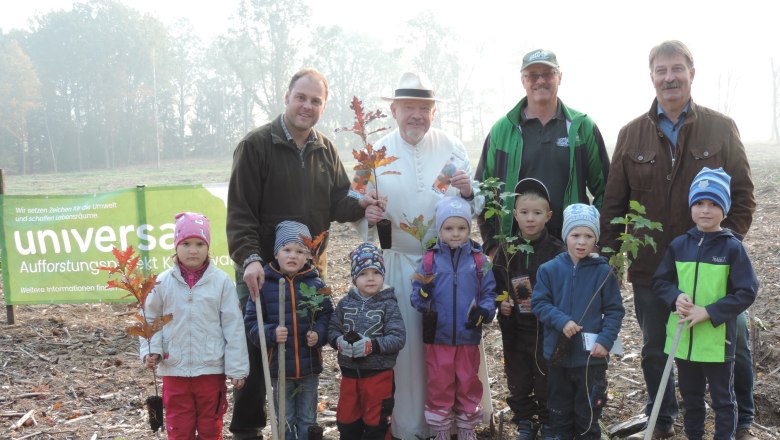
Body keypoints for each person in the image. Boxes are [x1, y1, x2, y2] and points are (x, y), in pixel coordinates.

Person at [599, 40, 757, 440]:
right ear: (651, 76)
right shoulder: (631, 134)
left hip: (716, 269)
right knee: (656, 346)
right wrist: (611, 261)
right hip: (654, 269)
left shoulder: (721, 128)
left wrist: (724, 247)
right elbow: (614, 206)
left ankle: (741, 422)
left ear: (691, 72)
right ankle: (662, 419)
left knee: (731, 344)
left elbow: (743, 196)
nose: (669, 77)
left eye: (677, 69)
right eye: (661, 70)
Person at [226, 68, 378, 439]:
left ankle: (299, 427)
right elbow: (240, 213)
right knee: (258, 352)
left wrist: (363, 205)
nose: (307, 106)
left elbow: (340, 200)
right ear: (287, 97)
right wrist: (250, 259)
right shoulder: (256, 145)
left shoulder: (325, 149)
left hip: (309, 276)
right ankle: (248, 428)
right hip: (263, 274)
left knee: (303, 352)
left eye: (316, 101)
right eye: (301, 97)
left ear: (322, 107)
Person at [357, 71, 486, 440]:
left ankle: (457, 419)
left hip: (447, 265)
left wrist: (466, 192)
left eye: (424, 108)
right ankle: (411, 423)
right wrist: (365, 213)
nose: (416, 115)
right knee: (408, 347)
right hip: (396, 262)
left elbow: (471, 202)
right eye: (409, 107)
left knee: (448, 343)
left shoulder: (452, 147)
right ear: (394, 110)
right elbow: (354, 200)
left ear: (434, 112)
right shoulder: (373, 153)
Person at [653, 167, 759, 440]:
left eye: (714, 204)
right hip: (684, 338)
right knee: (691, 399)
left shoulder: (732, 248)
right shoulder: (679, 245)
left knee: (723, 400)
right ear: (691, 206)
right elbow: (661, 282)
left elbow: (747, 291)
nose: (705, 210)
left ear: (724, 209)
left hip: (717, 342)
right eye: (699, 203)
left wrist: (709, 312)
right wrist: (675, 296)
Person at [476, 48, 609, 248]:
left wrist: (594, 241)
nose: (540, 81)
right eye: (532, 75)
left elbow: (606, 190)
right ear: (523, 81)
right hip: (515, 251)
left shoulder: (582, 127)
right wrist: (493, 247)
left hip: (570, 251)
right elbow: (483, 192)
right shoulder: (502, 130)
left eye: (548, 74)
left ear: (560, 77)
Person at [140, 212, 249, 440]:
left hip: (210, 368)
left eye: (200, 244)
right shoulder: (162, 283)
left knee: (211, 426)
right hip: (174, 367)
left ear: (208, 246)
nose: (193, 250)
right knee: (179, 427)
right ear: (176, 245)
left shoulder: (221, 282)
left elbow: (233, 326)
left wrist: (237, 368)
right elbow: (150, 319)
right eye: (186, 243)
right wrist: (152, 350)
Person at [531, 204, 625, 440]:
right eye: (575, 235)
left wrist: (605, 340)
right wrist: (562, 321)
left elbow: (615, 310)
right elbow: (539, 303)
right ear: (566, 236)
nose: (581, 242)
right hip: (558, 356)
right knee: (559, 412)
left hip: (590, 359)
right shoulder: (549, 270)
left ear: (596, 239)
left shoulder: (603, 272)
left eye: (588, 236)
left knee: (588, 415)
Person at [410, 197, 497, 440]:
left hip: (468, 335)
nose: (456, 234)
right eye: (449, 228)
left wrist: (485, 310)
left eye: (462, 228)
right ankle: (441, 429)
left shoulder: (480, 261)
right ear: (439, 230)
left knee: (468, 381)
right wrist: (424, 296)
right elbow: (416, 296)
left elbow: (490, 293)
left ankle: (467, 427)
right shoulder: (429, 260)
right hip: (438, 335)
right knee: (439, 382)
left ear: (470, 229)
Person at [244, 221, 334, 440]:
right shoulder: (264, 285)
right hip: (279, 369)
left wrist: (319, 334)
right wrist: (271, 333)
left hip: (309, 366)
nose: (293, 255)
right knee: (285, 418)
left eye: (300, 251)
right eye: (287, 250)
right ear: (276, 253)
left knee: (307, 418)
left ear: (309, 256)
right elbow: (251, 322)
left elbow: (328, 316)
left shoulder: (316, 284)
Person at [492, 178, 566, 440]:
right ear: (515, 215)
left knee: (547, 377)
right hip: (514, 330)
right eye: (524, 212)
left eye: (537, 213)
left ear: (549, 216)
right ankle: (524, 420)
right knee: (518, 377)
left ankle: (547, 421)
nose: (530, 219)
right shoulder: (507, 250)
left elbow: (565, 289)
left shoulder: (558, 251)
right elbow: (496, 285)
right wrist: (503, 302)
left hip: (546, 331)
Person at [328, 243, 406, 440]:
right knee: (346, 421)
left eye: (375, 272)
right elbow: (332, 329)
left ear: (383, 275)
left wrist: (373, 345)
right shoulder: (345, 303)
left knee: (376, 423)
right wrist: (338, 341)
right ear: (355, 278)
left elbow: (398, 338)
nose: (370, 278)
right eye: (363, 273)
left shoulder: (389, 304)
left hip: (378, 375)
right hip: (349, 374)